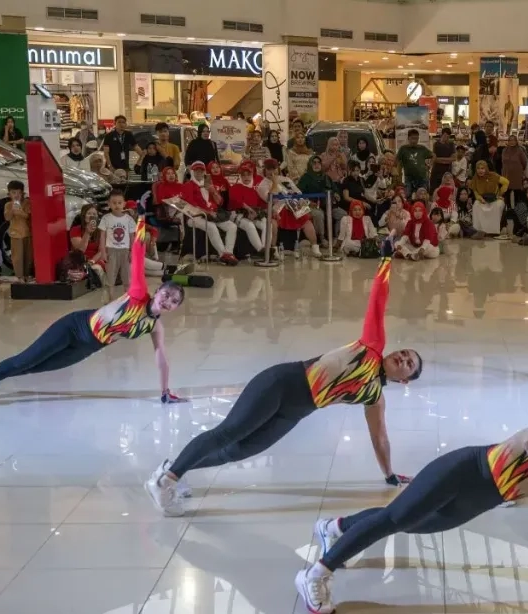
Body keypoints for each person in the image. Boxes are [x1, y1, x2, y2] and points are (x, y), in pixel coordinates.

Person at [295, 293, 528, 614]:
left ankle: (335, 527)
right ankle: (317, 574)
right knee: (395, 519)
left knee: (404, 522)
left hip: (478, 503)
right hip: (466, 468)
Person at [146, 240, 421, 517]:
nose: (403, 358)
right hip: (282, 384)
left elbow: (380, 437)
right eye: (404, 353)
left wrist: (389, 474)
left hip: (295, 412)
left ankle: (174, 468)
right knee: (228, 433)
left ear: (404, 380)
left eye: (409, 364)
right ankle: (164, 482)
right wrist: (385, 260)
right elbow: (378, 302)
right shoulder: (372, 346)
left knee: (237, 451)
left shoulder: (374, 398)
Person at [0, 221, 186, 411]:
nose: (167, 301)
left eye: (174, 301)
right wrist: (141, 222)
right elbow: (137, 257)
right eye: (166, 294)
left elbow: (161, 358)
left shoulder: (154, 326)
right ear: (158, 290)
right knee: (25, 360)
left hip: (88, 347)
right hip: (75, 327)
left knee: (34, 367)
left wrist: (164, 391)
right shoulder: (138, 294)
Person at [179, 161, 239, 265]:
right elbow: (191, 205)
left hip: (213, 215)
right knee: (211, 227)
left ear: (204, 172)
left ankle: (229, 253)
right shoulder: (188, 186)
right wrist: (207, 212)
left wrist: (213, 191)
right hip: (195, 216)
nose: (199, 173)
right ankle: (222, 254)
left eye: (201, 171)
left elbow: (220, 202)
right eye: (197, 171)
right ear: (192, 172)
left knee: (232, 227)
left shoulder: (209, 184)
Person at [97, 190, 138, 296]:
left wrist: (132, 251)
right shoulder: (106, 218)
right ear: (109, 204)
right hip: (111, 251)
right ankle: (111, 299)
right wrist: (103, 252)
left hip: (125, 251)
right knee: (110, 278)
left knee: (126, 277)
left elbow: (132, 237)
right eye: (114, 203)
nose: (117, 205)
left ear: (124, 204)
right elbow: (102, 236)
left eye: (119, 203)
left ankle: (127, 299)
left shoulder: (129, 219)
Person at [228, 160, 273, 255]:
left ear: (252, 175)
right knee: (249, 225)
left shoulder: (255, 189)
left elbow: (261, 204)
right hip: (238, 214)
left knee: (268, 223)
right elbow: (236, 202)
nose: (246, 177)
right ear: (240, 176)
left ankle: (266, 249)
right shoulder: (235, 187)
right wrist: (248, 209)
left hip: (253, 214)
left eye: (248, 175)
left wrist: (258, 212)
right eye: (243, 175)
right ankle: (260, 250)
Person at [3, 180, 32, 282]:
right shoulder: (8, 205)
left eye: (19, 192)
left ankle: (27, 275)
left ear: (23, 193)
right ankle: (19, 276)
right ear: (9, 194)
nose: (16, 195)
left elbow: (28, 216)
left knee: (28, 256)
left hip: (27, 233)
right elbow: (7, 217)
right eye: (13, 192)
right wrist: (12, 210)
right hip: (15, 234)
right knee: (17, 257)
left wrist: (20, 211)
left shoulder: (27, 203)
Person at [396, 129, 434, 195]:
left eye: (416, 139)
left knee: (422, 197)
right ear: (408, 138)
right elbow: (397, 161)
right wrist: (398, 175)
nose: (414, 141)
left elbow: (434, 155)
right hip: (409, 178)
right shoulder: (403, 149)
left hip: (422, 178)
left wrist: (430, 165)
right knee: (407, 195)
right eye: (412, 138)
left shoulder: (422, 148)